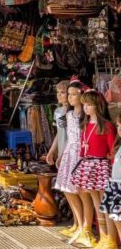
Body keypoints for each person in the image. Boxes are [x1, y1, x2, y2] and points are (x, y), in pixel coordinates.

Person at [70, 90, 116, 248]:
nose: (86, 108)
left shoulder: (107, 126)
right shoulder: (85, 125)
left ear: (98, 105)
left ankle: (111, 238)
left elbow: (113, 150)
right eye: (84, 105)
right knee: (97, 203)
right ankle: (103, 235)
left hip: (102, 165)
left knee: (105, 204)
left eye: (89, 104)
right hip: (88, 165)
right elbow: (83, 148)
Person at [54, 80, 85, 243]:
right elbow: (66, 138)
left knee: (78, 192)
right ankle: (78, 223)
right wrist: (60, 155)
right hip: (69, 153)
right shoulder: (67, 114)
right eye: (69, 94)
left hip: (80, 155)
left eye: (74, 94)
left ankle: (83, 227)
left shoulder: (84, 116)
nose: (70, 97)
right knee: (67, 190)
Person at [99, 116, 121, 249]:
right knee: (116, 219)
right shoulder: (118, 145)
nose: (119, 129)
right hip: (115, 185)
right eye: (118, 126)